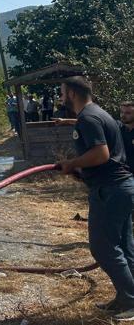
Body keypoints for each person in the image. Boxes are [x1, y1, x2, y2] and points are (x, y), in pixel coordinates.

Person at [56, 77, 134, 321]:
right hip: (120, 186)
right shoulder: (101, 114)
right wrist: (82, 171)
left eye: (62, 92)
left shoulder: (88, 118)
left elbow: (101, 154)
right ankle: (125, 297)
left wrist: (73, 163)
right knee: (123, 246)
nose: (60, 97)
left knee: (103, 247)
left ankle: (131, 300)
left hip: (110, 190)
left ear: (71, 93)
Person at [119, 101, 134, 170]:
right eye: (122, 112)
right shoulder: (117, 129)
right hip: (121, 171)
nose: (123, 115)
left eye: (128, 113)